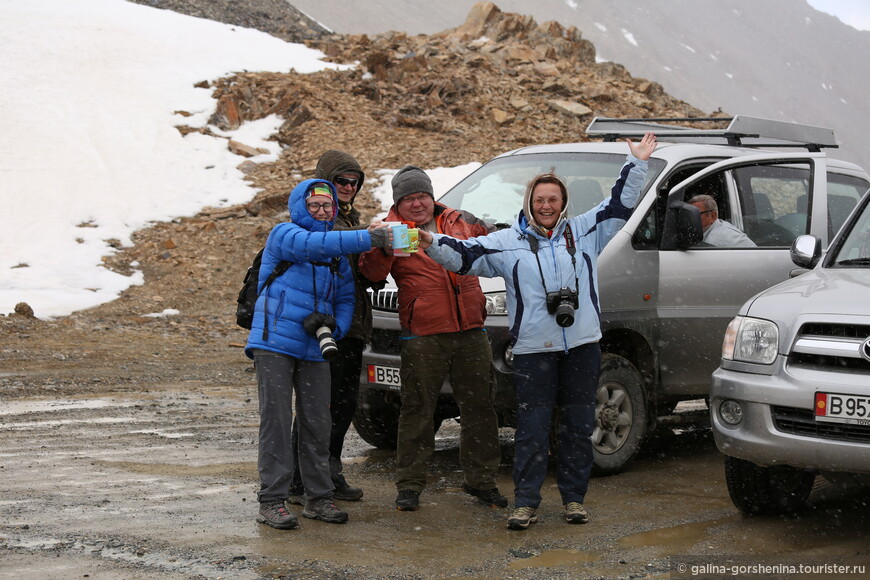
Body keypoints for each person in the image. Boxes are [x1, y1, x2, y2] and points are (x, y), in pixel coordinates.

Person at [416, 133, 657, 530]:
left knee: (579, 426)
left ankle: (574, 500)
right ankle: (526, 503)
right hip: (533, 351)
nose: (547, 206)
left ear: (563, 203)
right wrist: (430, 241)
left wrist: (637, 163)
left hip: (581, 346)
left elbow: (621, 204)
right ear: (529, 203)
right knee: (531, 430)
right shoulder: (508, 243)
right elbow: (464, 256)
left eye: (553, 200)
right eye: (540, 200)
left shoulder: (585, 231)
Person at [358, 165, 507, 512]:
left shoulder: (461, 220)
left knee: (481, 408)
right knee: (417, 410)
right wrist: (377, 245)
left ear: (431, 196)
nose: (417, 204)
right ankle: (409, 486)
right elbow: (371, 273)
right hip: (423, 334)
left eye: (421, 196)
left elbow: (495, 249)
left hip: (471, 329)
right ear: (399, 202)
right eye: (408, 198)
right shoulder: (389, 229)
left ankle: (481, 481)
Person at [246, 179, 391, 529]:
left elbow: (345, 296)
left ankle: (318, 497)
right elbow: (312, 245)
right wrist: (368, 237)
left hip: (315, 346)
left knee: (318, 423)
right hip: (275, 343)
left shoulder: (336, 254)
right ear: (300, 207)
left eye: (327, 207)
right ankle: (272, 500)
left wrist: (335, 327)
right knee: (277, 423)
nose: (323, 211)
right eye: (315, 206)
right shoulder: (284, 234)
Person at [287, 151, 376, 505]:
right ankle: (298, 479)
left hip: (351, 325)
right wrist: (369, 238)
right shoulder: (313, 219)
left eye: (355, 182)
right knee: (316, 407)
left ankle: (328, 470)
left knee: (343, 405)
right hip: (321, 327)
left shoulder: (352, 220)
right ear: (325, 179)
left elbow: (358, 271)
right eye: (342, 180)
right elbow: (327, 247)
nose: (349, 188)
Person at [687, 194, 756, 248]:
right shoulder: (706, 231)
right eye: (688, 215)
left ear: (713, 216)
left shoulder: (722, 238)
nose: (689, 219)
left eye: (695, 214)